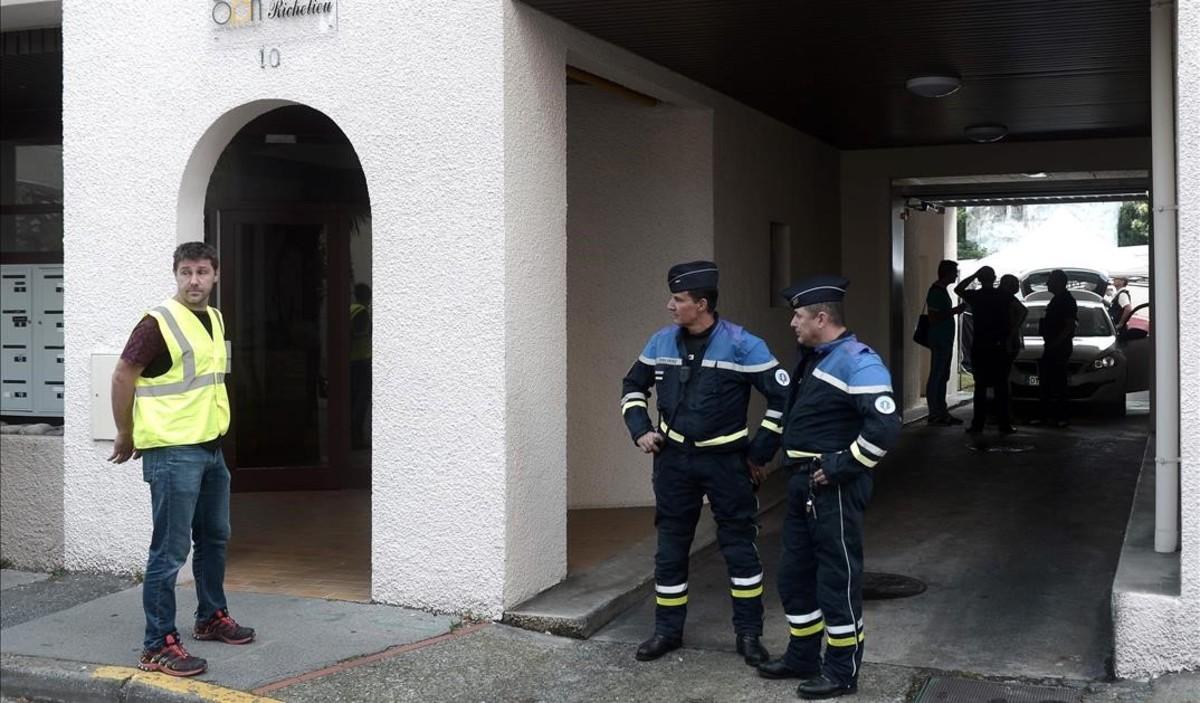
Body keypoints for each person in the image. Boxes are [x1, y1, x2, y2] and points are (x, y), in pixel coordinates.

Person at [620, 261, 789, 665]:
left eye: (677, 299)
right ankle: (667, 632)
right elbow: (632, 386)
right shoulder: (660, 342)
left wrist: (759, 454)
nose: (669, 306)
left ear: (701, 303)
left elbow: (783, 399)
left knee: (740, 550)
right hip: (674, 462)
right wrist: (641, 428)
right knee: (670, 550)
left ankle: (749, 636)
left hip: (727, 463)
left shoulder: (744, 345)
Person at [109, 241, 254, 677]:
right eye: (186, 272)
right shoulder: (157, 323)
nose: (194, 280)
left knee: (214, 539)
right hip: (172, 452)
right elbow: (122, 374)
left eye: (202, 272)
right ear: (176, 274)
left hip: (210, 448)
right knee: (169, 552)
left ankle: (210, 616)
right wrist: (125, 431)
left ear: (216, 275)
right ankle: (157, 645)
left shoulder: (213, 318)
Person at [756, 276, 901, 700]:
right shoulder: (814, 357)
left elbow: (885, 427)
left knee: (837, 580)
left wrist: (843, 465)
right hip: (804, 484)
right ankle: (803, 655)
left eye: (798, 316)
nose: (792, 324)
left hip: (833, 488)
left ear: (822, 318)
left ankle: (841, 671)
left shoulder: (859, 362)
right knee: (794, 576)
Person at [954, 266, 1015, 434]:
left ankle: (977, 424)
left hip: (980, 345)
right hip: (999, 346)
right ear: (994, 277)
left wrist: (974, 275)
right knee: (1000, 387)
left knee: (980, 387)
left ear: (980, 279)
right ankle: (1004, 424)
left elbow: (958, 289)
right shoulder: (1003, 296)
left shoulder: (976, 296)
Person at [924, 259, 965, 425]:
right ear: (947, 273)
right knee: (937, 376)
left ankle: (941, 412)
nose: (956, 275)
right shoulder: (935, 292)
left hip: (944, 339)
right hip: (939, 339)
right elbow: (934, 317)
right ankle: (935, 413)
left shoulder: (941, 290)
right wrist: (954, 311)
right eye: (954, 272)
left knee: (942, 376)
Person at [1036, 269, 1077, 427]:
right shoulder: (1058, 299)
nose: (1047, 283)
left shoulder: (1066, 300)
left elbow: (1069, 325)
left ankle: (1060, 417)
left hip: (1058, 347)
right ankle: (1048, 416)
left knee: (1058, 382)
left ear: (1058, 282)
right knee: (1048, 382)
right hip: (1054, 346)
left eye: (1050, 280)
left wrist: (1056, 343)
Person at [998, 275, 1028, 426]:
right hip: (1009, 342)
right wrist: (1013, 331)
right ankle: (1006, 414)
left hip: (1006, 342)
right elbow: (1023, 311)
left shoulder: (1003, 298)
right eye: (1015, 284)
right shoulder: (1008, 298)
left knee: (1002, 379)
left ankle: (1004, 414)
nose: (1017, 287)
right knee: (1004, 380)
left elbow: (1023, 311)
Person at [350, 283, 372, 449]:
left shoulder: (350, 309)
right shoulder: (362, 312)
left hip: (351, 360)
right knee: (361, 400)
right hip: (361, 360)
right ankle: (356, 435)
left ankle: (352, 434)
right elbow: (359, 334)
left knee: (353, 398)